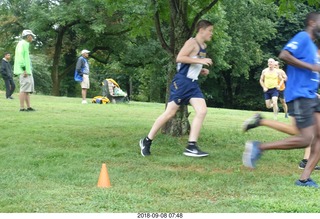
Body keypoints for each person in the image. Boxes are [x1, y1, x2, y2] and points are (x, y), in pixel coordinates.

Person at [242, 12, 320, 188]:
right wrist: (311, 67)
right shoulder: (302, 37)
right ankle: (259, 147)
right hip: (300, 95)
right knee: (306, 138)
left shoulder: (313, 48)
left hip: (312, 95)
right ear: (311, 22)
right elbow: (284, 55)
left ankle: (304, 179)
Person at [139, 20, 213, 157]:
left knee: (202, 111)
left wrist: (200, 69)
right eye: (210, 30)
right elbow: (180, 58)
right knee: (169, 114)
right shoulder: (192, 43)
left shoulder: (203, 46)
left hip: (193, 84)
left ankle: (191, 146)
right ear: (201, 30)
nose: (211, 34)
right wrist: (200, 61)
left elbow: (191, 62)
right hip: (182, 83)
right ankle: (147, 141)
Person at [243, 113, 320, 170]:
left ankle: (261, 121)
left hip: (301, 97)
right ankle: (260, 146)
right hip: (303, 97)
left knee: (297, 130)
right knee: (309, 132)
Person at [14, 30, 36, 112]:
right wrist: (24, 70)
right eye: (31, 36)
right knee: (23, 89)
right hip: (24, 71)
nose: (32, 38)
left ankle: (29, 107)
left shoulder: (26, 44)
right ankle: (22, 107)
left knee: (27, 90)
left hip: (27, 71)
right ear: (28, 36)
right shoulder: (22, 44)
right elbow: (20, 58)